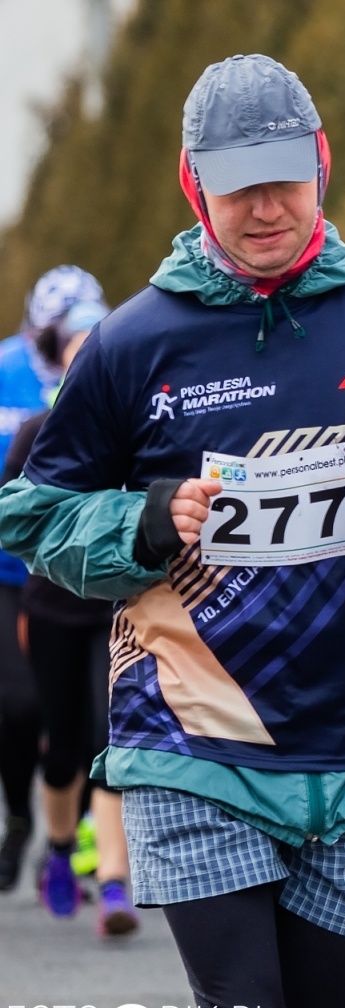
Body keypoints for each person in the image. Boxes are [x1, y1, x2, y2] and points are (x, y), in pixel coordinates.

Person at [0, 54, 345, 1008]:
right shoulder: (132, 341)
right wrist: (148, 524)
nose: (266, 206)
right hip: (191, 739)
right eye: (237, 185)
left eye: (286, 176)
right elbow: (35, 512)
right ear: (194, 187)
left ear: (323, 163)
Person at [2, 296, 140, 937]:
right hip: (52, 608)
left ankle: (114, 885)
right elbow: (12, 519)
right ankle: (59, 850)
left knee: (109, 741)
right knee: (61, 748)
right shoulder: (37, 431)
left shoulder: (141, 425)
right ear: (62, 366)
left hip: (119, 610)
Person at [0, 265, 101, 892]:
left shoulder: (115, 361)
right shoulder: (5, 366)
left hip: (76, 571)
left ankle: (76, 832)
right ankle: (19, 820)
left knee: (91, 721)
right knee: (18, 705)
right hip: (7, 569)